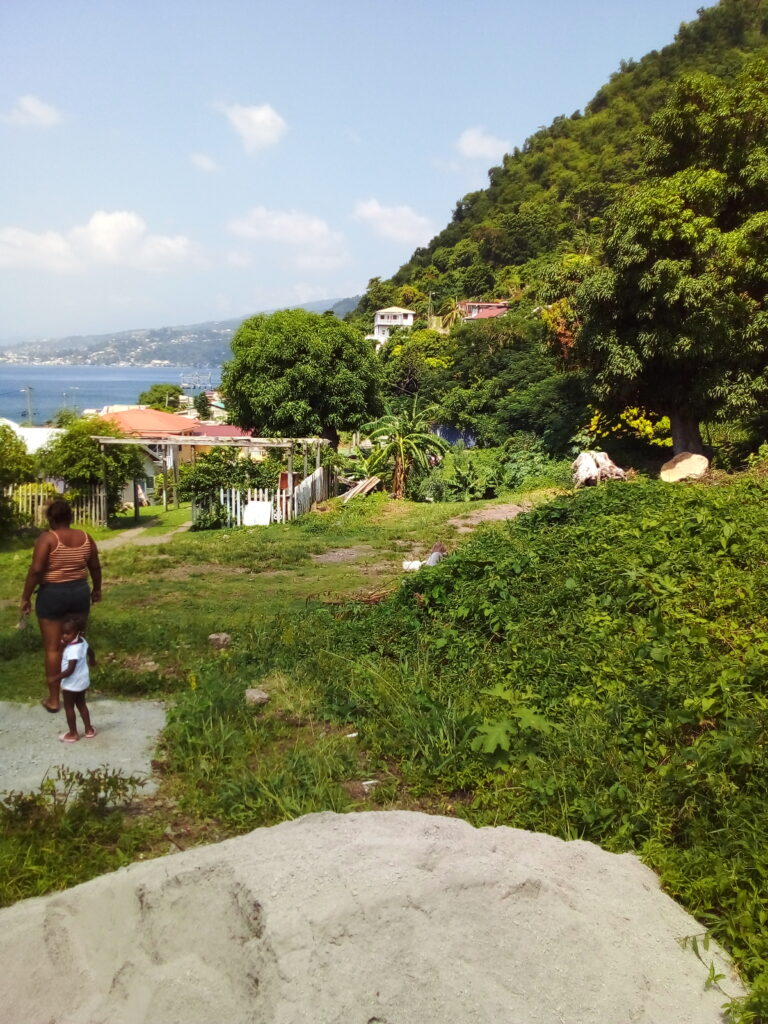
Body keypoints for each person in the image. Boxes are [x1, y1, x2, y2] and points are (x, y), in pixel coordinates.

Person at [19, 498, 102, 713]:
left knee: (53, 648)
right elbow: (95, 566)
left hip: (53, 594)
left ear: (50, 519)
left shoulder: (48, 539)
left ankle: (54, 700)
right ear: (70, 517)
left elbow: (37, 570)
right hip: (79, 593)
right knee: (75, 643)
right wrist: (97, 589)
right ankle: (76, 694)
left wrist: (26, 597)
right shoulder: (86, 537)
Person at [54, 615, 96, 743]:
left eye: (67, 633)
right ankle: (89, 730)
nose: (64, 636)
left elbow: (70, 670)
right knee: (82, 704)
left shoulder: (72, 650)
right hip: (82, 681)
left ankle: (73, 733)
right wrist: (93, 660)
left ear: (76, 632)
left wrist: (56, 678)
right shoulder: (83, 641)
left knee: (69, 707)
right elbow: (90, 651)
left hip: (71, 684)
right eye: (62, 633)